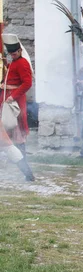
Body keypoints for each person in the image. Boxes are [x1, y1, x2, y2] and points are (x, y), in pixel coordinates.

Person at [0, 33, 33, 173]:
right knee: (8, 133)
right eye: (11, 54)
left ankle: (24, 166)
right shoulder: (14, 62)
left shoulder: (23, 62)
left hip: (15, 103)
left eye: (14, 53)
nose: (12, 55)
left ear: (19, 50)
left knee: (17, 133)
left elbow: (27, 83)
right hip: (8, 99)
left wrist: (13, 97)